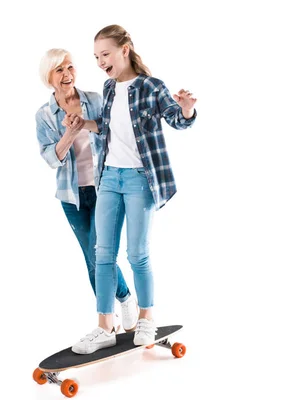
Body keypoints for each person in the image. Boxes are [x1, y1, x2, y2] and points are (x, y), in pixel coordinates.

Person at [66, 25, 198, 354]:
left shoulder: (151, 86)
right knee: (103, 256)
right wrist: (85, 125)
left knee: (137, 254)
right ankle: (104, 327)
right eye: (96, 57)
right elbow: (108, 128)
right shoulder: (109, 88)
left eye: (105, 54)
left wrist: (186, 109)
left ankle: (146, 318)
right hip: (109, 178)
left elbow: (177, 120)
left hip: (140, 179)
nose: (100, 61)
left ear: (125, 49)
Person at [35, 48, 139, 334]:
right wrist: (69, 132)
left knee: (100, 254)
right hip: (72, 197)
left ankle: (125, 302)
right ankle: (111, 317)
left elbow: (115, 133)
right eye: (59, 70)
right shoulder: (45, 115)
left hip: (104, 188)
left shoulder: (95, 100)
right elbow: (50, 159)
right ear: (49, 77)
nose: (67, 74)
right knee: (91, 260)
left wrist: (87, 124)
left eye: (70, 67)